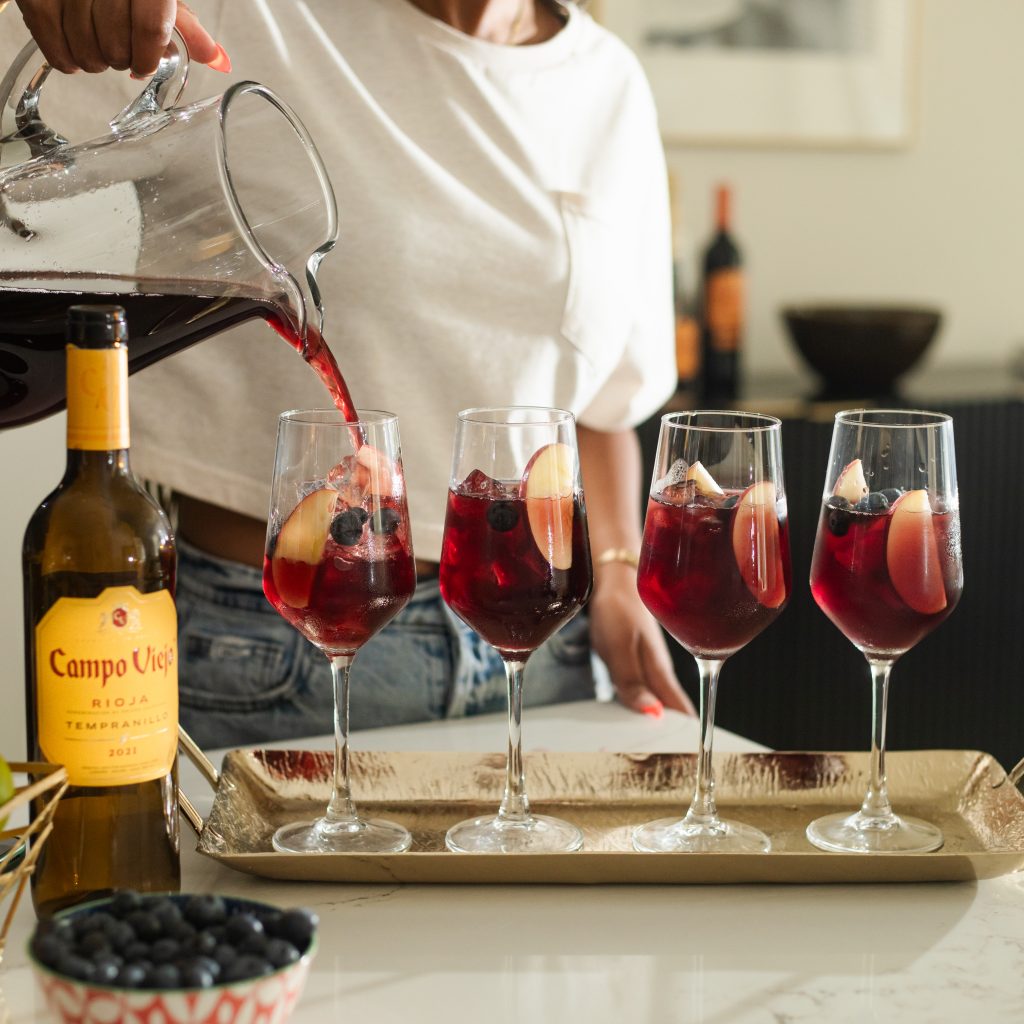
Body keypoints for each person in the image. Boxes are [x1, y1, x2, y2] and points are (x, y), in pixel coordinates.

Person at [12, 0, 696, 748]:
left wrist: (620, 578)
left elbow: (602, 408)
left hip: (541, 645)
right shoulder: (241, 14)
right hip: (278, 644)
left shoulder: (607, 82)